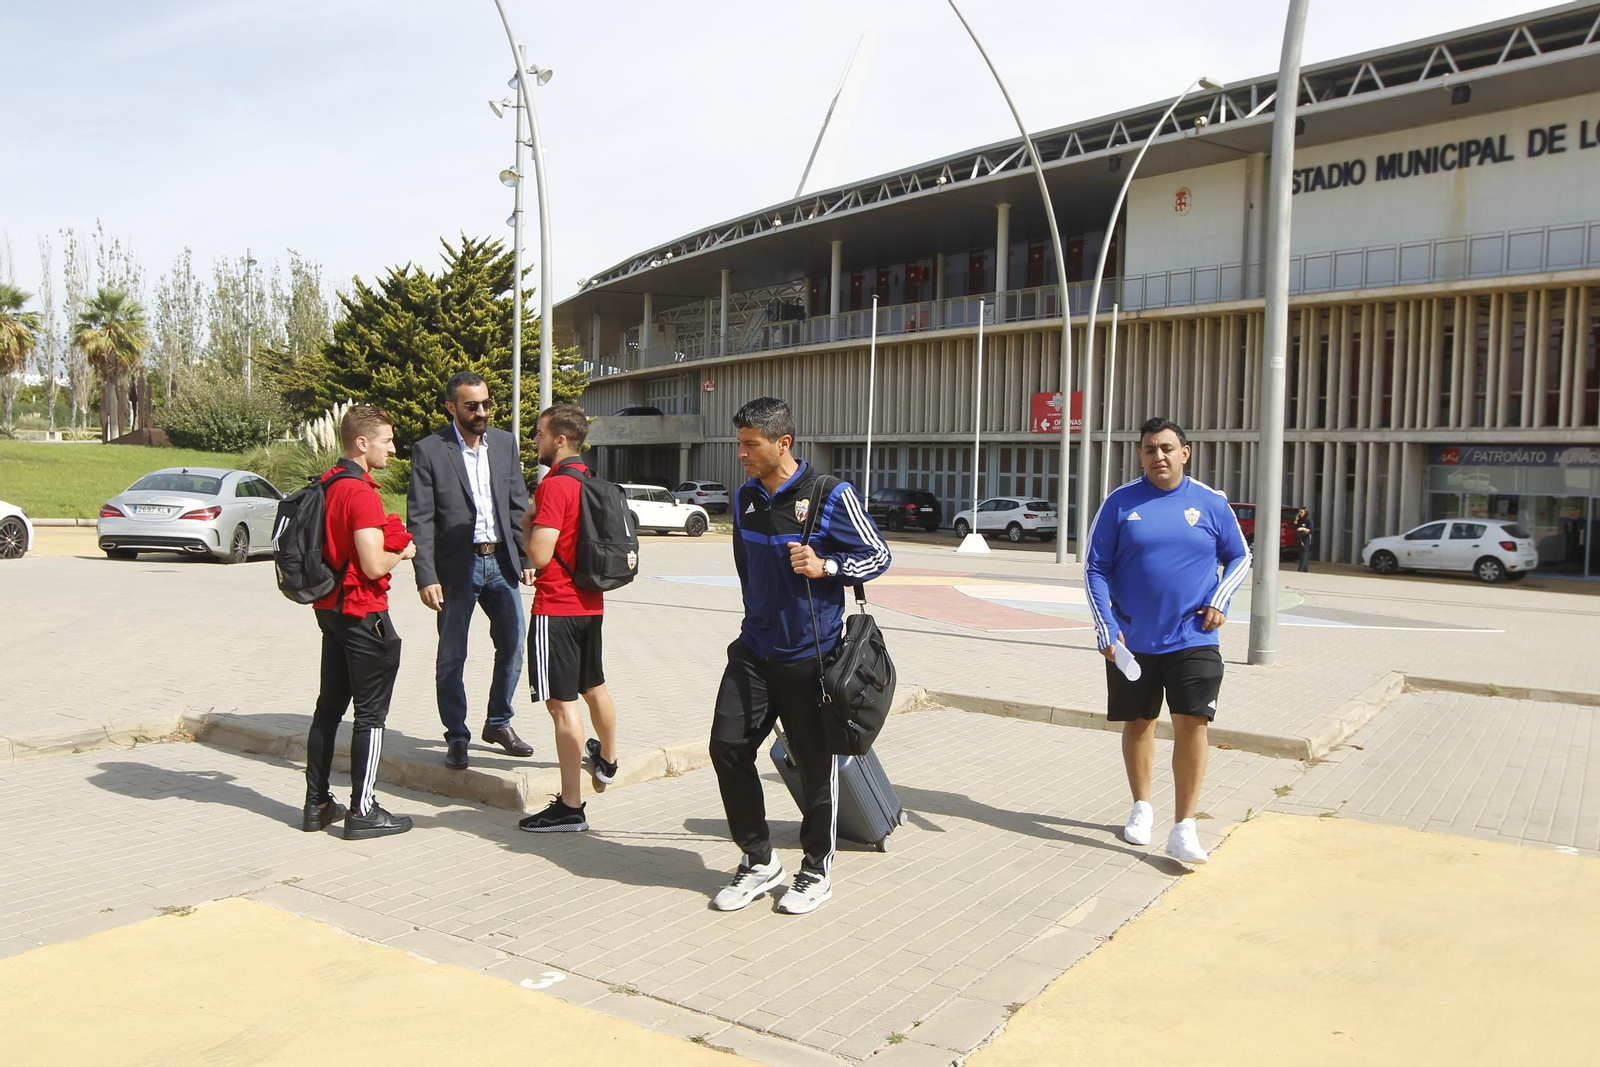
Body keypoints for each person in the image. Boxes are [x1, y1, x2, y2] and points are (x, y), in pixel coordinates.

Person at [708, 397, 891, 916]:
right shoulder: (745, 496)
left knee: (814, 765)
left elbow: (878, 556)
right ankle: (759, 860)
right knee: (727, 746)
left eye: (751, 444)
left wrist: (827, 565)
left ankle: (815, 870)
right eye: (738, 443)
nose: (741, 453)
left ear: (782, 443)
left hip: (812, 655)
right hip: (754, 649)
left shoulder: (830, 495)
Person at [1085, 417, 1251, 865]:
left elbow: (1240, 555)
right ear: (1140, 455)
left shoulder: (1211, 503)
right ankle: (1141, 807)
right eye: (1148, 449)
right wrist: (1105, 626)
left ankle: (1184, 827)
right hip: (1133, 639)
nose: (1157, 456)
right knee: (1138, 723)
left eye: (1165, 447)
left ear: (1185, 452)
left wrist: (1220, 599)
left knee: (1192, 723)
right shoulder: (1120, 504)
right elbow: (1094, 567)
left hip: (1193, 637)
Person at [408, 372, 536, 770]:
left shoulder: (504, 443)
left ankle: (498, 722)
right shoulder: (430, 450)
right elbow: (421, 519)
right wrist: (425, 575)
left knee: (514, 646)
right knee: (452, 656)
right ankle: (457, 735)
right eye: (471, 406)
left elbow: (517, 506)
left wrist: (526, 557)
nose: (481, 412)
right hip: (455, 568)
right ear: (451, 407)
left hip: (500, 562)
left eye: (485, 404)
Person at [302, 405, 416, 840]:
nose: (393, 447)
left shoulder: (327, 484)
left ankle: (317, 803)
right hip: (362, 612)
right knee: (370, 715)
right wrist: (403, 551)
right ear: (361, 443)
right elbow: (371, 565)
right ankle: (362, 809)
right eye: (387, 440)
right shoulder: (361, 493)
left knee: (328, 707)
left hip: (329, 610)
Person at [517, 404, 619, 833]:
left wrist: (526, 525)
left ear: (560, 439)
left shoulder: (555, 486)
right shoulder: (590, 482)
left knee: (562, 705)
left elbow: (540, 555)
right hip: (590, 604)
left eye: (540, 434)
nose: (535, 442)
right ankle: (608, 760)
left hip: (555, 607)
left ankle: (571, 807)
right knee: (594, 686)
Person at [1294, 507, 1314, 573]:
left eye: (1302, 512)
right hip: (1299, 539)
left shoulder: (1308, 520)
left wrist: (1302, 529)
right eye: (1299, 512)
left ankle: (1300, 570)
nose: (1300, 513)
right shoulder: (1299, 520)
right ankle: (1306, 570)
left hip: (1306, 540)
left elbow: (1310, 530)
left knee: (1304, 555)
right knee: (1300, 554)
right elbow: (1295, 528)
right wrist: (1296, 520)